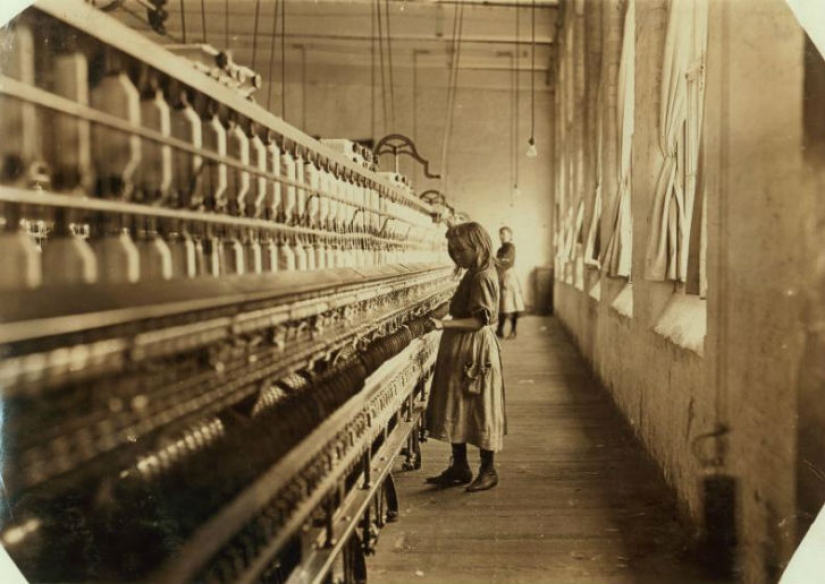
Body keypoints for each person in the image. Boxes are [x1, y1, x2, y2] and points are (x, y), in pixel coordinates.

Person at [427, 222, 507, 492]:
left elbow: (478, 321)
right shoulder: (474, 271)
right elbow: (460, 305)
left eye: (461, 250)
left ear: (479, 246)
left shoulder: (483, 276)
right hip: (461, 347)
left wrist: (443, 325)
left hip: (474, 347)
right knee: (457, 404)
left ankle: (489, 469)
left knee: (479, 406)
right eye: (452, 250)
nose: (456, 256)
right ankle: (459, 466)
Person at [495, 226, 525, 339]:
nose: (502, 236)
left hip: (509, 276)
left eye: (505, 234)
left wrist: (495, 261)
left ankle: (513, 330)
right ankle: (500, 330)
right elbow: (498, 263)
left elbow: (505, 262)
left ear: (510, 236)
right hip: (502, 276)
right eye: (501, 234)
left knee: (512, 304)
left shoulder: (510, 247)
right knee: (503, 304)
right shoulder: (500, 249)